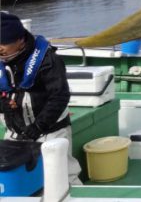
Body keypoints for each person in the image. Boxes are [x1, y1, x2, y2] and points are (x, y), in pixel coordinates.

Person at [0, 12, 82, 185]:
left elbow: (59, 96)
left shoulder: (48, 60)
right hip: (14, 134)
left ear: (20, 40)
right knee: (20, 181)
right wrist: (3, 105)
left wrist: (39, 126)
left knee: (64, 178)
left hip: (50, 132)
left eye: (3, 42)